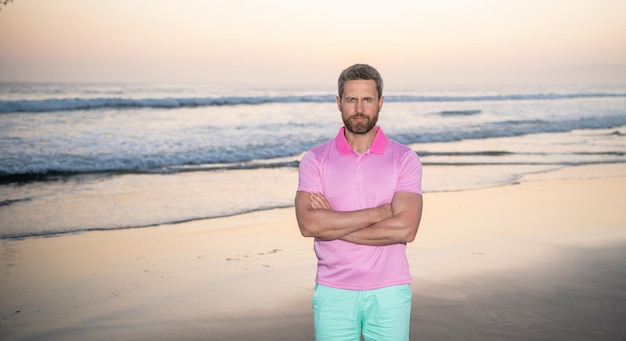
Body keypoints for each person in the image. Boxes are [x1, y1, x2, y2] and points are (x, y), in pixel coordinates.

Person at [295, 63, 423, 341]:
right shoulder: (315, 159)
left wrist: (334, 223)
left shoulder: (404, 159)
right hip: (333, 291)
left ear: (381, 103)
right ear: (339, 103)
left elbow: (405, 230)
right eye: (352, 100)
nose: (360, 108)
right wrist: (379, 212)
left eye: (367, 100)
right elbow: (308, 224)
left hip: (390, 290)